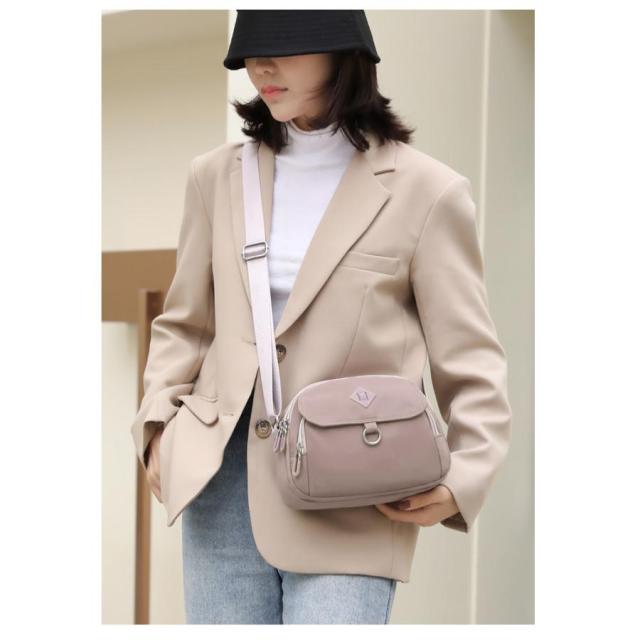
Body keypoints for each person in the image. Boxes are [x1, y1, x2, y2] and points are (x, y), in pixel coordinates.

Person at [135, 9, 512, 625]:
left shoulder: (428, 191)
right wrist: (156, 427)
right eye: (250, 53)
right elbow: (185, 324)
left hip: (354, 486)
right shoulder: (214, 178)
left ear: (342, 54)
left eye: (285, 48)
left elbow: (469, 357)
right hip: (221, 479)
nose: (261, 66)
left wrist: (464, 475)